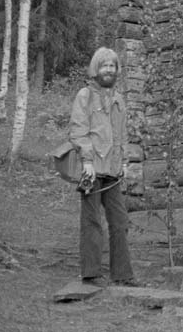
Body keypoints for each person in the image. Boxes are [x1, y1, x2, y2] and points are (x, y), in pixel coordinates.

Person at [69, 47, 136, 287]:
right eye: (104, 65)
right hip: (91, 170)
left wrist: (125, 162)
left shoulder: (119, 99)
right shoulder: (85, 95)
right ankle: (91, 273)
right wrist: (87, 161)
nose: (108, 70)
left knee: (119, 221)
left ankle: (122, 274)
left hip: (114, 171)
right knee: (91, 221)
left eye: (112, 66)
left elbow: (123, 135)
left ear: (117, 70)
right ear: (96, 69)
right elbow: (78, 131)